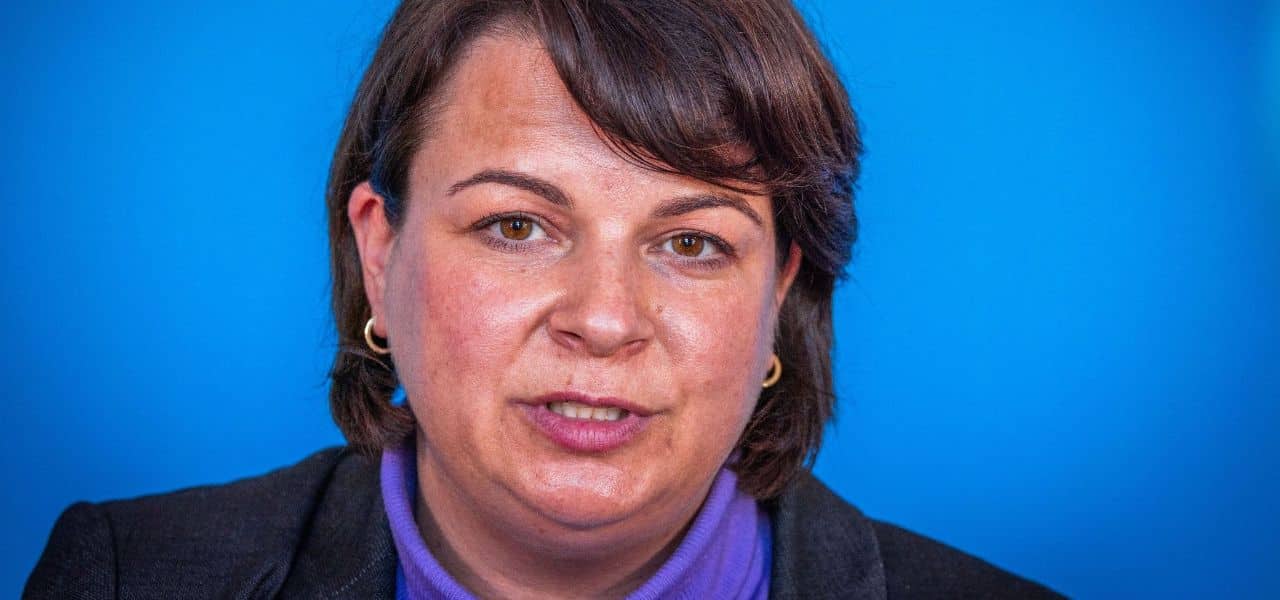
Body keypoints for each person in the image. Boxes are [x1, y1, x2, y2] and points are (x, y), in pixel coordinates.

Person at [25, 1, 1062, 598]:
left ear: (776, 296)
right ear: (381, 252)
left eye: (692, 243)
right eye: (516, 227)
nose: (603, 319)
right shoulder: (128, 577)